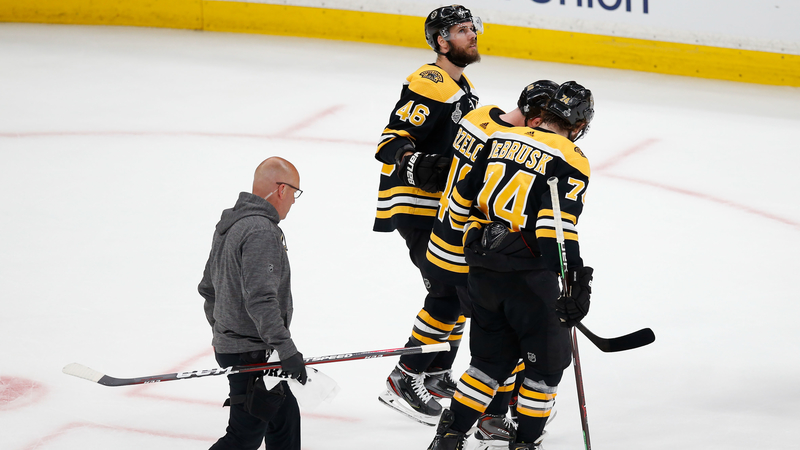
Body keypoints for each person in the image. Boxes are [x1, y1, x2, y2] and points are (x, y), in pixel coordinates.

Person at [427, 81, 596, 450]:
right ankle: (525, 443)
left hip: (482, 272)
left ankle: (449, 438)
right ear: (580, 125)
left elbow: (461, 200)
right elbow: (554, 228)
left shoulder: (501, 138)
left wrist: (478, 245)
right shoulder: (571, 157)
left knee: (487, 363)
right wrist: (575, 281)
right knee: (545, 368)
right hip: (529, 279)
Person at [374, 5, 483, 425]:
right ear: (441, 41)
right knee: (448, 291)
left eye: (473, 28)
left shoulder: (462, 87)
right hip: (416, 206)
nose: (472, 34)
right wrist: (412, 160)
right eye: (462, 30)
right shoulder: (431, 80)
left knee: (457, 292)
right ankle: (404, 376)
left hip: (440, 207)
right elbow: (391, 139)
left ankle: (435, 372)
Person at [199, 156, 308, 450]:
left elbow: (208, 288)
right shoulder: (261, 231)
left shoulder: (232, 225)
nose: (294, 201)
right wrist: (286, 349)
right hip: (251, 354)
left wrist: (223, 334)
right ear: (282, 189)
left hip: (243, 349)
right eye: (295, 192)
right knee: (243, 437)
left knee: (284, 419)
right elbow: (261, 299)